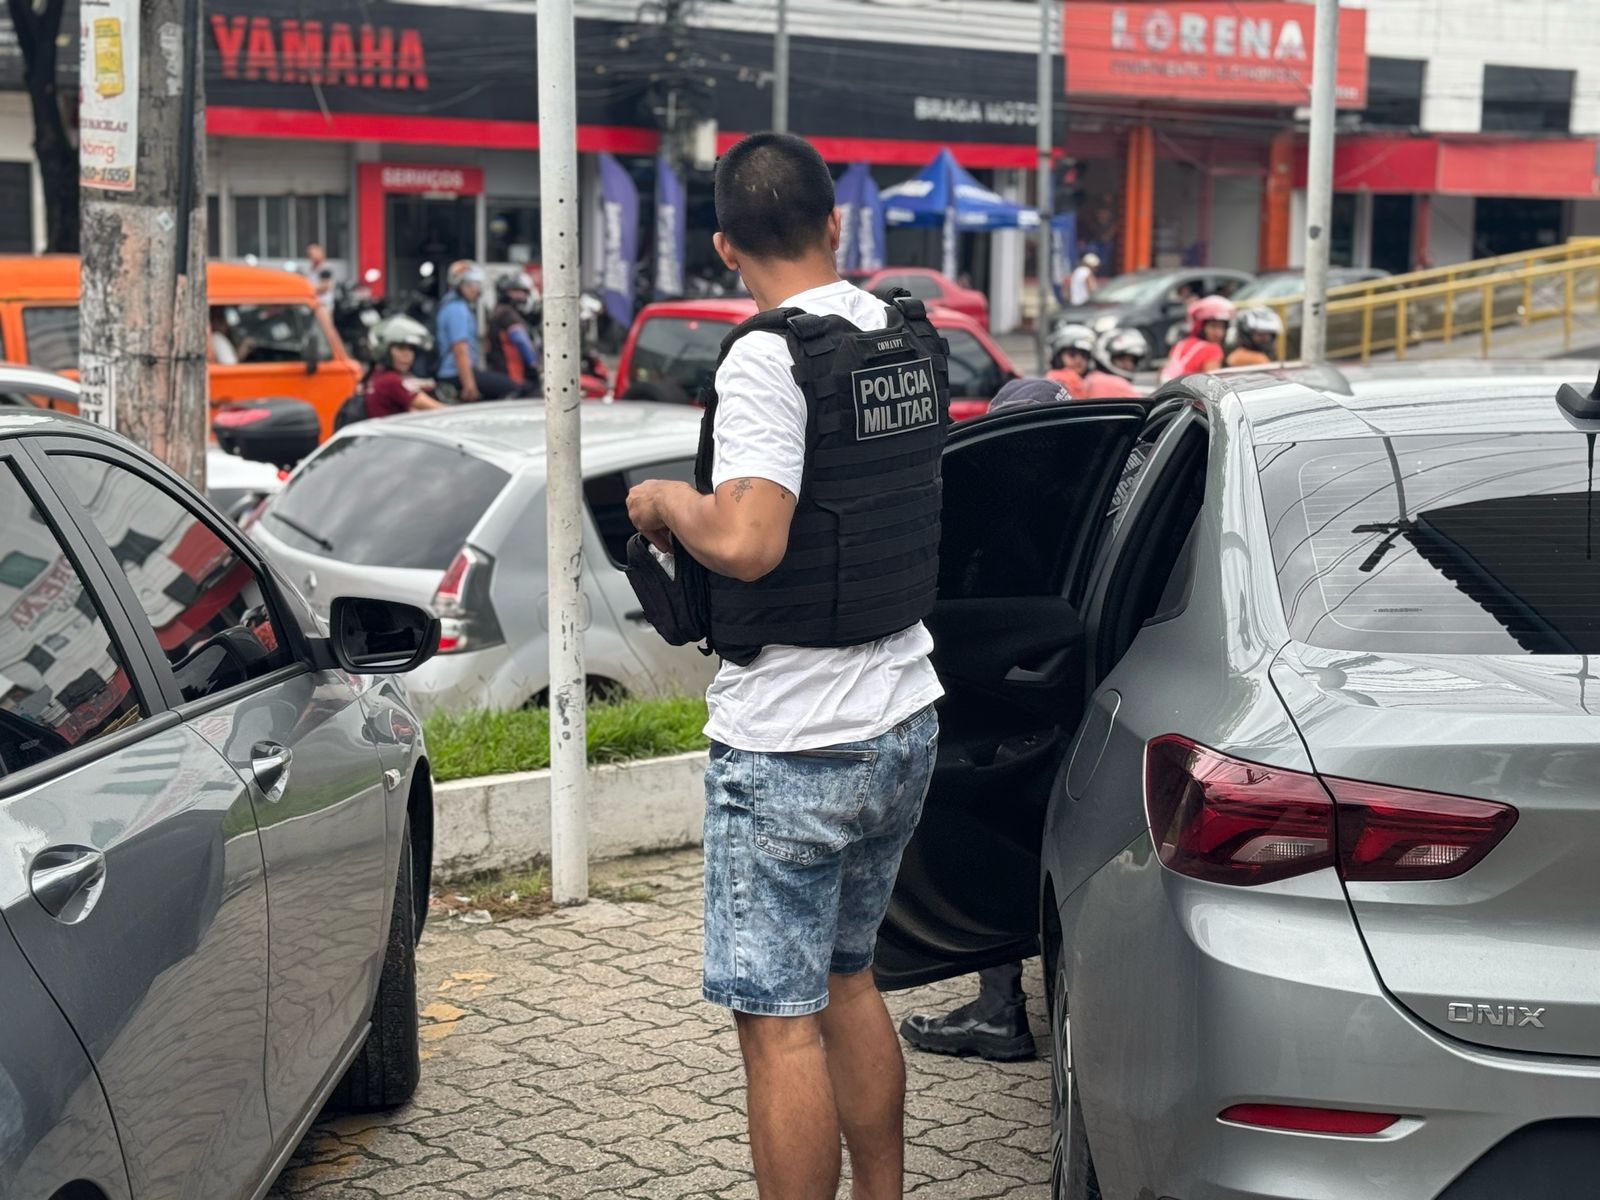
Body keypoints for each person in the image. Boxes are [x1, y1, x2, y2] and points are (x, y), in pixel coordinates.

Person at [624, 132, 946, 1200]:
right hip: (903, 711)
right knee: (851, 982)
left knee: (778, 1026)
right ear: (835, 223)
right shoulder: (900, 333)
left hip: (797, 743)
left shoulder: (770, 356)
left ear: (722, 245)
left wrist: (669, 501)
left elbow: (752, 539)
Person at [434, 261, 531, 402]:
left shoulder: (451, 306)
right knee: (514, 388)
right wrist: (469, 385)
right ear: (458, 284)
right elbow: (459, 349)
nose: (475, 289)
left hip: (456, 372)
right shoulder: (457, 309)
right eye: (470, 284)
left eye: (477, 285)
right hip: (455, 373)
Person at [362, 315, 443, 419]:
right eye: (401, 348)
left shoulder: (375, 374)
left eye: (410, 349)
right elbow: (439, 410)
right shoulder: (391, 381)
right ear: (384, 350)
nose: (407, 355)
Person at [1158, 295, 1233, 383]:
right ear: (1201, 326)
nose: (1219, 333)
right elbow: (1212, 385)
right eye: (1213, 326)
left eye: (1222, 327)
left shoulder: (1180, 344)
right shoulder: (1213, 349)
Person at [487, 271, 541, 390]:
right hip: (514, 376)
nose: (520, 295)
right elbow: (520, 340)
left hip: (502, 374)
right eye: (515, 291)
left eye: (522, 292)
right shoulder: (507, 313)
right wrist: (535, 364)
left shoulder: (498, 311)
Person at [1078, 327, 1149, 399]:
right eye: (1122, 359)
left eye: (1132, 360)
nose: (1128, 364)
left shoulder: (1093, 378)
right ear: (1106, 356)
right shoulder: (1108, 382)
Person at [1046, 323, 1096, 393]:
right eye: (1072, 354)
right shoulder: (1055, 382)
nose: (1078, 360)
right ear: (1058, 357)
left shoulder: (1094, 381)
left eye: (1084, 354)